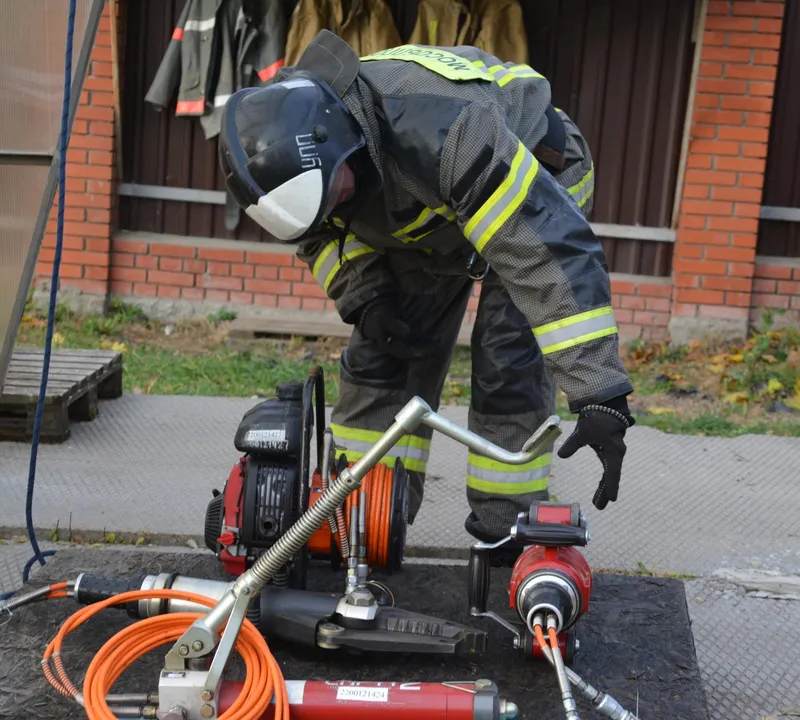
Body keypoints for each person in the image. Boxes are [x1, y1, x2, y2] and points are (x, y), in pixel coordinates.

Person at [218, 31, 636, 566]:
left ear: (336, 137)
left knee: (507, 357)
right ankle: (363, 519)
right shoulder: (279, 141)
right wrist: (368, 296)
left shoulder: (443, 133)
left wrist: (598, 390)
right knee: (386, 351)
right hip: (417, 204)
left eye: (337, 194)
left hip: (535, 167)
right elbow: (321, 232)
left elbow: (547, 255)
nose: (336, 209)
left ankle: (506, 529)